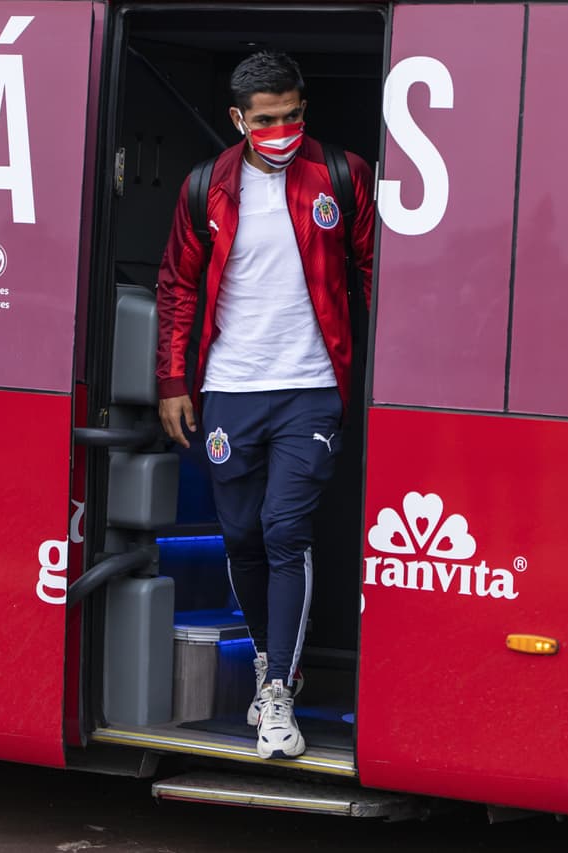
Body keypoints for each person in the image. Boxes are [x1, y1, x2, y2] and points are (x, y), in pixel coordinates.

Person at [154, 51, 374, 759]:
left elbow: (379, 272)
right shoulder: (204, 189)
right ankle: (273, 655)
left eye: (292, 115)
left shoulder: (342, 174)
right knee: (242, 535)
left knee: (285, 531)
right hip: (230, 390)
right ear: (239, 120)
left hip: (310, 388)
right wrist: (172, 382)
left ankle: (277, 687)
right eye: (266, 120)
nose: (281, 129)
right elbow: (177, 287)